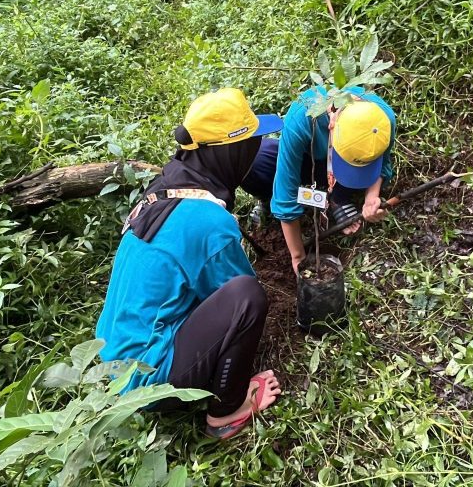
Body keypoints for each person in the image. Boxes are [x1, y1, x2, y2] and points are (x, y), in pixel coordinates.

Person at [95, 88, 284, 439]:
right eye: (252, 143)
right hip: (145, 378)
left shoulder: (166, 186)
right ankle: (225, 414)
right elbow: (236, 295)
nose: (256, 149)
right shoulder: (208, 221)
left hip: (112, 356)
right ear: (233, 153)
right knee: (247, 297)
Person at [241, 85, 397, 272]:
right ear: (332, 124)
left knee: (352, 175)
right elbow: (286, 191)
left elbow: (383, 164)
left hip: (334, 164)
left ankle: (339, 198)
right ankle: (267, 198)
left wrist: (371, 196)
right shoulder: (302, 117)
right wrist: (298, 257)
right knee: (255, 162)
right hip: (310, 158)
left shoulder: (383, 120)